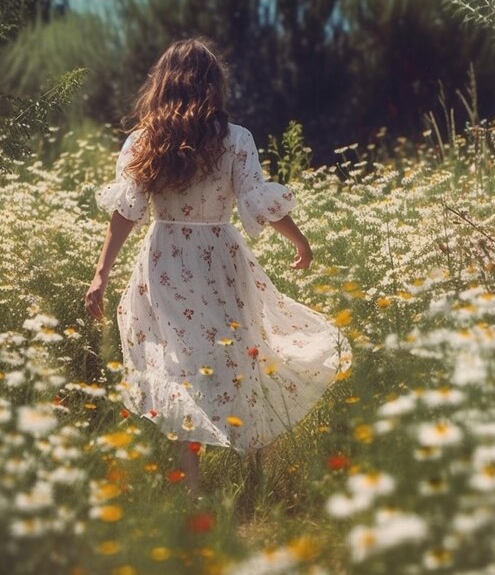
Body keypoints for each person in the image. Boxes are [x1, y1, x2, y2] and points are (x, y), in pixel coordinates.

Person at [84, 37, 350, 497]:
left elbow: (127, 213)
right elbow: (255, 201)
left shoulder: (144, 141)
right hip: (220, 259)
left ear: (162, 83)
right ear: (213, 84)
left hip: (164, 260)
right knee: (243, 355)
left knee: (179, 366)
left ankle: (191, 489)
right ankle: (257, 479)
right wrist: (299, 238)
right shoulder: (235, 139)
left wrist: (101, 273)